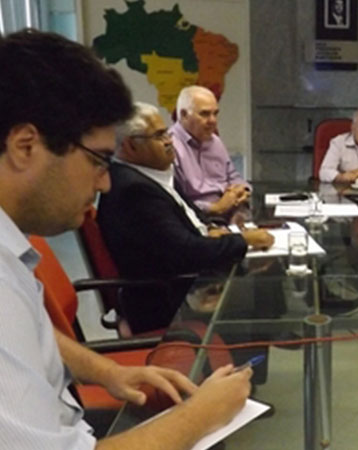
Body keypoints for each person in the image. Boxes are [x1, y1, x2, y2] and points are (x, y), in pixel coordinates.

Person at [0, 29, 251, 449]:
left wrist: (108, 371)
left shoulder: (11, 249)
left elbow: (33, 331)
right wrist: (199, 417)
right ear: (26, 146)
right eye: (99, 160)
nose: (106, 183)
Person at [98, 102, 273, 334]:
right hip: (167, 302)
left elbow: (183, 225)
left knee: (261, 288)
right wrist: (245, 240)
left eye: (167, 133)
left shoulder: (153, 174)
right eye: (160, 136)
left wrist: (210, 229)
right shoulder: (135, 191)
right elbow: (187, 253)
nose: (170, 141)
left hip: (183, 281)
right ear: (131, 145)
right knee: (259, 305)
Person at [170, 85, 251, 225]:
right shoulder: (169, 146)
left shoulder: (215, 142)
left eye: (215, 113)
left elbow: (234, 176)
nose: (213, 121)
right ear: (183, 115)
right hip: (198, 221)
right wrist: (216, 207)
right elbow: (175, 201)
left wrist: (241, 190)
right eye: (205, 114)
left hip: (232, 214)